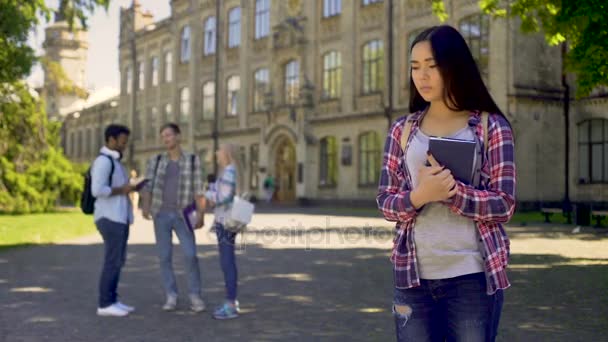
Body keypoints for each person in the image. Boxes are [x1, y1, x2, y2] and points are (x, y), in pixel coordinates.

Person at [376, 25, 516, 342]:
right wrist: (419, 196)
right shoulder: (402, 130)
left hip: (472, 277)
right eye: (415, 67)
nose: (422, 76)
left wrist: (454, 194)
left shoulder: (491, 126)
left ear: (454, 66)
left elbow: (505, 204)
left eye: (432, 66)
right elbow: (385, 201)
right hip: (411, 278)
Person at [140, 123, 206, 313]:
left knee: (190, 255)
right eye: (163, 136)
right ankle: (171, 295)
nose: (166, 139)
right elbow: (148, 185)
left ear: (178, 136)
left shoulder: (193, 160)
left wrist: (200, 214)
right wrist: (146, 206)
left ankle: (195, 295)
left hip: (184, 215)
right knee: (164, 257)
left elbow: (199, 189)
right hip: (161, 214)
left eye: (169, 135)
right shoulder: (156, 160)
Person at [91, 124, 136, 317]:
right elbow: (97, 190)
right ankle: (105, 304)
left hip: (119, 217)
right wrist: (122, 190)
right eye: (122, 142)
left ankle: (113, 300)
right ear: (111, 140)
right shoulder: (103, 162)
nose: (125, 145)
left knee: (117, 260)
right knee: (112, 261)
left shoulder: (115, 161)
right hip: (109, 218)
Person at [203, 143, 244, 320]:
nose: (216, 153)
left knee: (227, 262)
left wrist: (207, 195)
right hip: (227, 220)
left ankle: (230, 304)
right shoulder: (229, 171)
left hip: (225, 222)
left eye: (219, 150)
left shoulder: (229, 171)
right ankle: (231, 301)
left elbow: (223, 197)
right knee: (228, 261)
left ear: (227, 153)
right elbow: (222, 192)